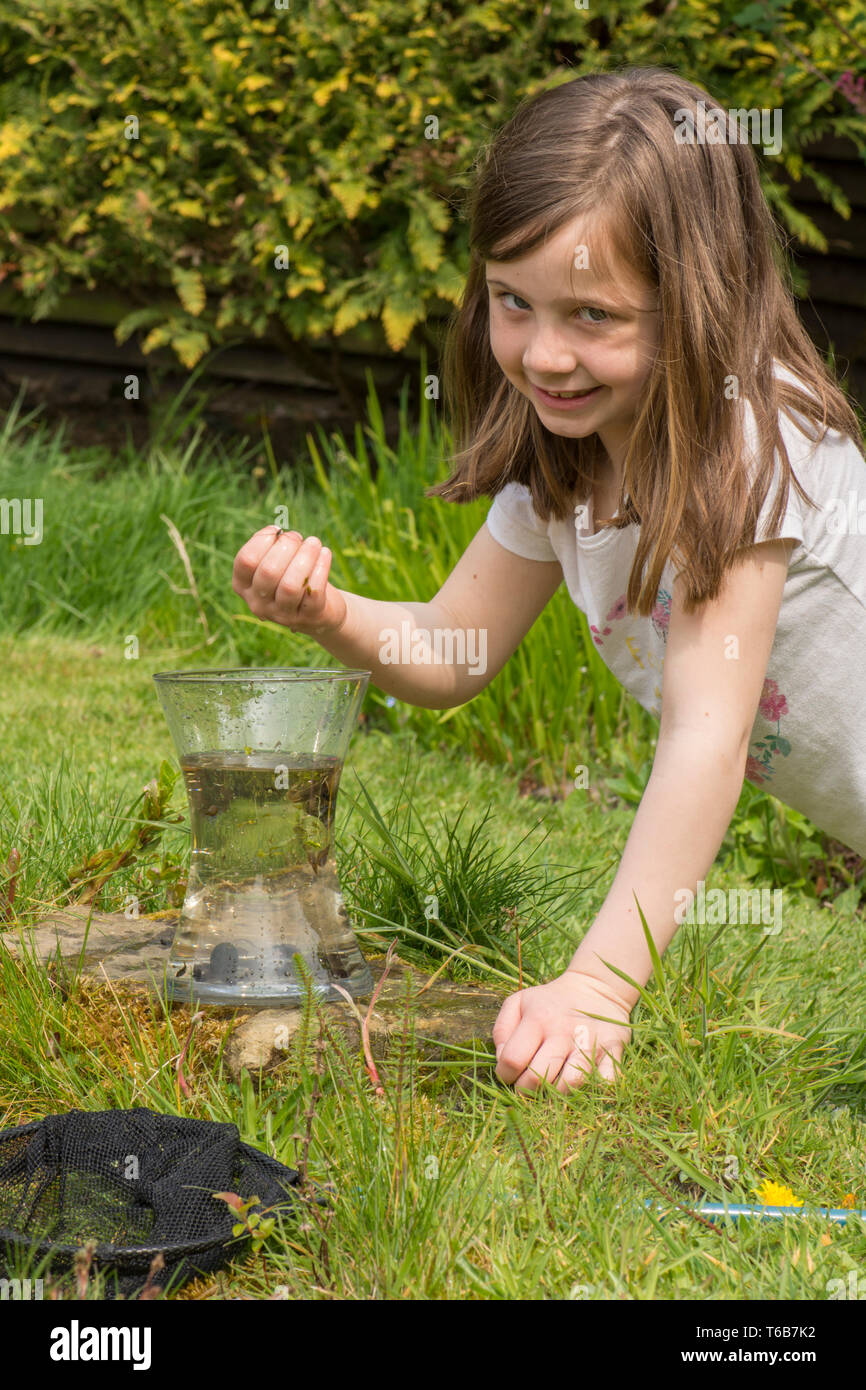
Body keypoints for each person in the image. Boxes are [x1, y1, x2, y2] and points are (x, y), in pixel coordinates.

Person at [232, 67, 866, 1097]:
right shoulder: (568, 457)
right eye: (510, 301)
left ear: (695, 298)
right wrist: (328, 612)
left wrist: (596, 989)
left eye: (592, 316)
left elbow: (707, 737)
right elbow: (454, 651)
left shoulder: (747, 439)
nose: (542, 353)